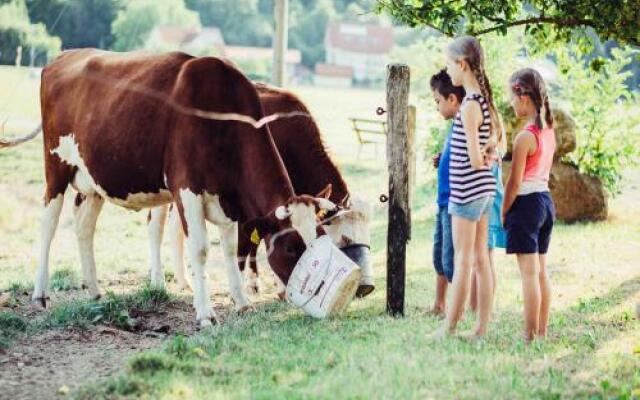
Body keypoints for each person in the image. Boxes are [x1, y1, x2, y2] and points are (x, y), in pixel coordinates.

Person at [428, 36, 503, 341]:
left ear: (462, 64)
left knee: (463, 260)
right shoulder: (482, 100)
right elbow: (495, 142)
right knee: (481, 261)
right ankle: (480, 329)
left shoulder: (471, 105)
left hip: (467, 193)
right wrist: (489, 152)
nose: (449, 72)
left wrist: (483, 154)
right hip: (483, 192)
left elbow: (473, 158)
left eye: (449, 64)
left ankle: (449, 327)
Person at [503, 67, 556, 343]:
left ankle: (529, 336)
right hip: (546, 203)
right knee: (541, 272)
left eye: (512, 97)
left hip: (526, 205)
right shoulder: (548, 130)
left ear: (522, 95)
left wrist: (503, 211)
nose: (510, 103)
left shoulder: (525, 137)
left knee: (528, 275)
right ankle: (542, 331)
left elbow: (514, 183)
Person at [428, 69, 465, 316]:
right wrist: (442, 160)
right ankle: (439, 305)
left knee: (452, 259)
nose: (437, 107)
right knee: (439, 256)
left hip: (455, 201)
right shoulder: (453, 126)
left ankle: (457, 308)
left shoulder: (465, 124)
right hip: (443, 201)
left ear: (452, 99)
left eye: (438, 102)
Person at [470, 153, 507, 313]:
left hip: (489, 209)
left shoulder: (490, 152)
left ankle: (481, 306)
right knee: (481, 260)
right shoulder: (493, 151)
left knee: (484, 260)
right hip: (490, 207)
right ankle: (474, 306)